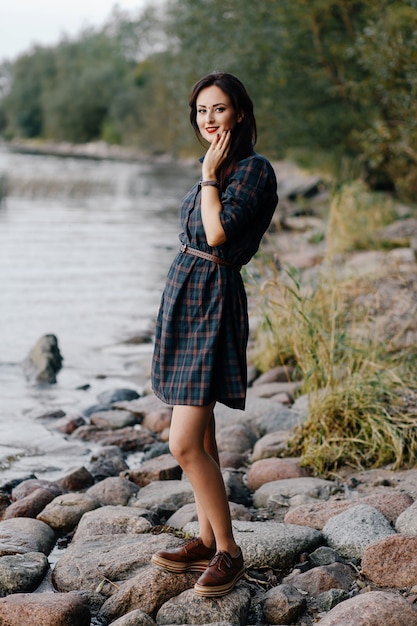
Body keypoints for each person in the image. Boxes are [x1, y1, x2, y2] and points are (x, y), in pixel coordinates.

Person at [151, 71, 278, 597]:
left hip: (213, 300)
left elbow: (219, 232)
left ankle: (229, 551)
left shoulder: (252, 170)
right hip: (186, 294)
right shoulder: (219, 166)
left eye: (219, 109)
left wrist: (207, 176)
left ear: (240, 113)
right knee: (201, 436)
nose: (208, 119)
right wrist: (208, 172)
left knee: (182, 442)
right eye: (201, 110)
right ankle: (205, 539)